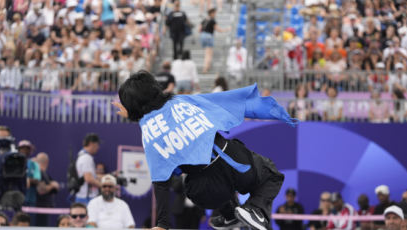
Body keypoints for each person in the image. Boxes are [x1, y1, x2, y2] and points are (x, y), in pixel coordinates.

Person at [112, 71, 297, 230]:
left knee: (194, 187)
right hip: (234, 163)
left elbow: (161, 182)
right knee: (272, 175)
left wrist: (162, 224)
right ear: (154, 89)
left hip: (206, 189)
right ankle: (255, 209)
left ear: (134, 107)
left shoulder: (149, 134)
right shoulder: (182, 101)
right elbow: (222, 101)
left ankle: (230, 215)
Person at [200, 8, 230, 73]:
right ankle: (205, 68)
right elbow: (219, 30)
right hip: (209, 36)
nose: (215, 14)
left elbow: (199, 29)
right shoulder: (212, 20)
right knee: (209, 54)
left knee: (206, 53)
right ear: (212, 13)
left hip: (203, 36)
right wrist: (227, 29)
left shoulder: (204, 20)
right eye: (215, 13)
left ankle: (207, 66)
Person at [75, 133, 102, 204]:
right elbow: (89, 178)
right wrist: (103, 186)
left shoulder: (82, 156)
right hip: (87, 198)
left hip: (85, 197)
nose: (98, 147)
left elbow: (90, 176)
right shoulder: (86, 158)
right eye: (97, 144)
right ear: (91, 144)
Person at [36, 152, 60, 226]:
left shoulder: (44, 173)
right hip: (39, 208)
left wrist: (53, 184)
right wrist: (52, 186)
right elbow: (41, 190)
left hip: (44, 207)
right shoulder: (38, 173)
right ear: (47, 162)